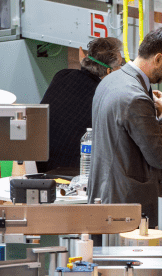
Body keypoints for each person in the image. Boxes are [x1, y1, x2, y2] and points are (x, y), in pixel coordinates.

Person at [87, 27, 162, 227]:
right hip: (124, 205)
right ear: (158, 58)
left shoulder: (110, 79)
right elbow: (159, 157)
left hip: (103, 194)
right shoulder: (136, 97)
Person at [36, 37, 123, 174]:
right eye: (119, 66)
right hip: (73, 174)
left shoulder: (62, 75)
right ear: (108, 72)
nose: (121, 70)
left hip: (39, 166)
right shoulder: (104, 97)